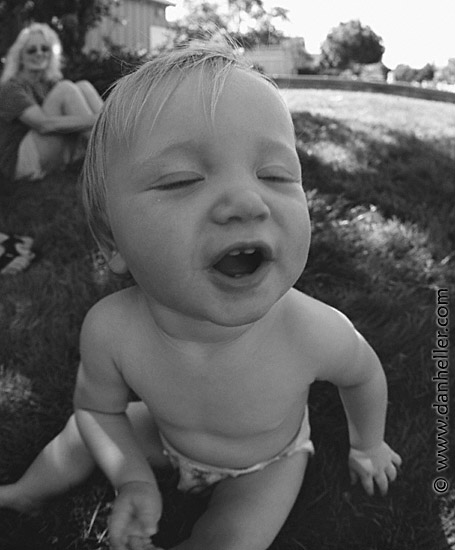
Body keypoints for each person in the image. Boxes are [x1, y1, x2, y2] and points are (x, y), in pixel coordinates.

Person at [0, 41, 402, 550]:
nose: (246, 201)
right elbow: (98, 410)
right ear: (111, 243)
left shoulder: (312, 329)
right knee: (79, 434)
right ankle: (24, 493)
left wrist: (368, 445)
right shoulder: (111, 329)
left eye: (275, 175)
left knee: (232, 540)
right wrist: (133, 477)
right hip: (166, 436)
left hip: (266, 464)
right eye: (182, 180)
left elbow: (363, 375)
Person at [0, 22, 103, 181]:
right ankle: (108, 152)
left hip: (46, 150)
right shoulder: (11, 88)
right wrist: (100, 119)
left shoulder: (48, 84)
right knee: (66, 88)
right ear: (20, 56)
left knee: (83, 85)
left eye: (45, 49)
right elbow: (44, 125)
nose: (39, 53)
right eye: (32, 50)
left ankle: (114, 144)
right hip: (21, 162)